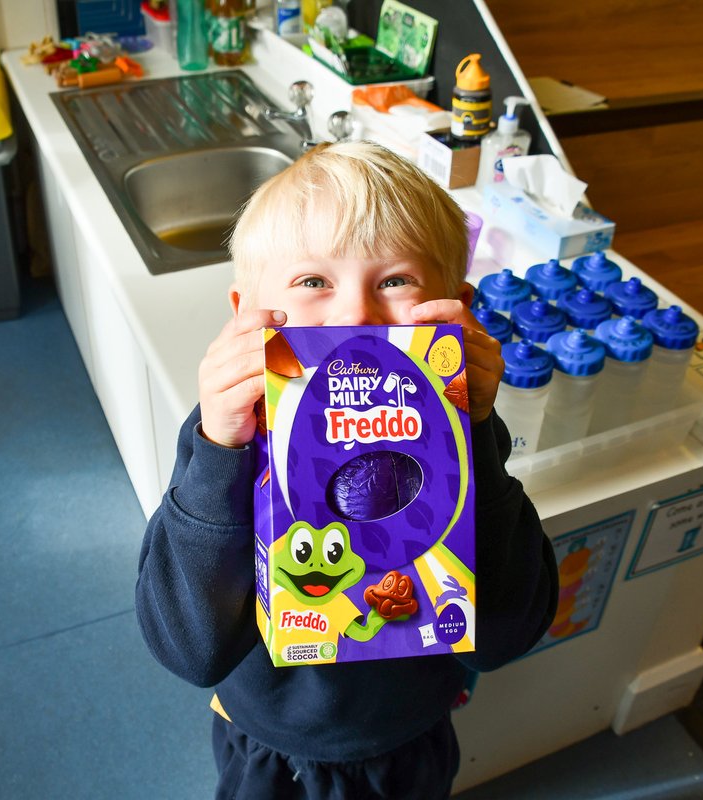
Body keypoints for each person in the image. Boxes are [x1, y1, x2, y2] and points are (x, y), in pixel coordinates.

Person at [135, 141, 557, 799]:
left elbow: (505, 635)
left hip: (406, 738)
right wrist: (220, 447)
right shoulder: (229, 439)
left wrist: (472, 430)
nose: (355, 316)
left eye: (396, 281)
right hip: (268, 743)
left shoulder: (466, 434)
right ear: (248, 312)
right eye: (313, 282)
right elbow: (189, 647)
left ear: (457, 306)